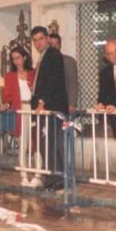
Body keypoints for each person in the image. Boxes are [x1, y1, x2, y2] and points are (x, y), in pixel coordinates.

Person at [30, 26, 68, 187]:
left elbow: (52, 80)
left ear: (47, 39)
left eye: (40, 39)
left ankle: (58, 179)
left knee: (51, 143)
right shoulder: (43, 57)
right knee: (46, 144)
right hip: (45, 107)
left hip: (51, 107)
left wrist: (41, 102)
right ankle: (52, 177)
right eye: (35, 40)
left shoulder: (53, 55)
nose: (38, 43)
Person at [2, 46, 36, 185]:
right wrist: (5, 104)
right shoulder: (10, 76)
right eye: (13, 58)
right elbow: (7, 96)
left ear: (25, 57)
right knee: (23, 142)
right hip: (19, 109)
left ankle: (37, 174)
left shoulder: (33, 73)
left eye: (18, 58)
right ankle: (23, 174)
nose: (16, 61)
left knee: (36, 142)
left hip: (33, 109)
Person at [48, 33, 79, 114]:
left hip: (64, 104)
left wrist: (72, 103)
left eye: (56, 44)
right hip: (48, 105)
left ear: (60, 45)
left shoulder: (69, 61)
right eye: (51, 44)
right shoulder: (43, 63)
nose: (54, 46)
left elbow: (73, 84)